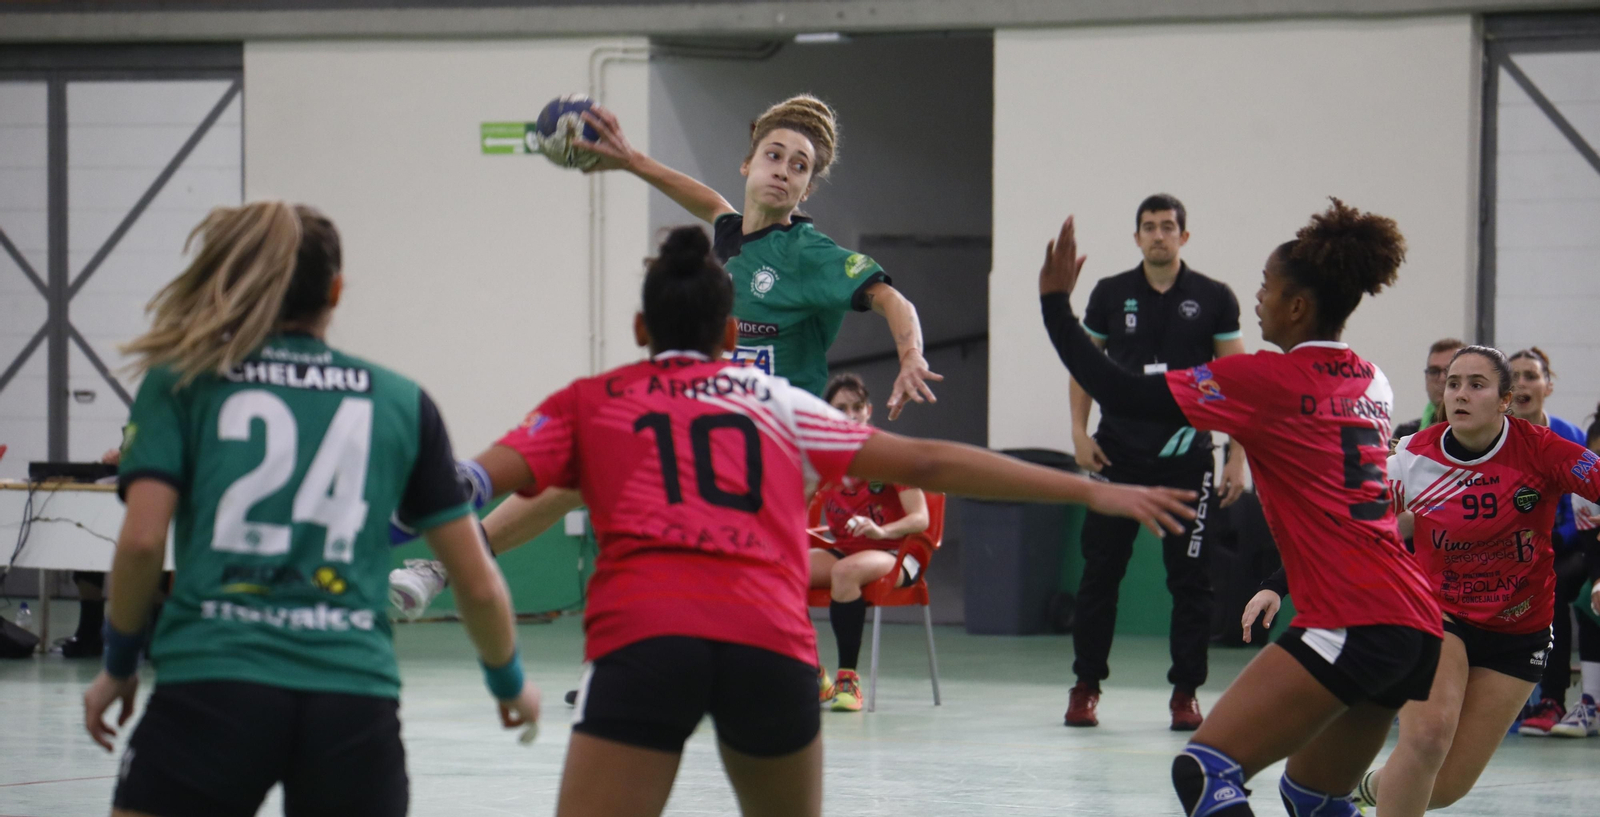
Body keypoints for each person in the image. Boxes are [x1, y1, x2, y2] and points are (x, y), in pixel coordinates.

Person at [467, 225, 1195, 817]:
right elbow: (934, 463)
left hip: (645, 642)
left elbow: (471, 482)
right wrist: (1090, 492)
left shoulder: (593, 399)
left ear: (638, 326)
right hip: (768, 647)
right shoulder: (778, 401)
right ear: (730, 331)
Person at [387, 94, 943, 618]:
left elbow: (892, 299)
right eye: (774, 155)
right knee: (576, 482)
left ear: (806, 190)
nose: (784, 169)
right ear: (748, 164)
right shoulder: (734, 238)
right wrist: (630, 161)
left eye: (800, 166)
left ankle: (678, 661)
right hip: (714, 430)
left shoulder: (809, 254)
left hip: (776, 453)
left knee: (712, 580)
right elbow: (709, 203)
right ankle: (443, 566)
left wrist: (911, 354)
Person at [81, 202, 539, 817]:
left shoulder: (181, 382)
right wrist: (507, 682)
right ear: (336, 290)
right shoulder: (400, 400)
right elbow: (477, 583)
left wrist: (117, 661)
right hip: (352, 699)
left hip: (214, 684)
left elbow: (141, 545)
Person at [1039, 199, 1443, 817]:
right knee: (1311, 795)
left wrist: (1054, 307)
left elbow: (1122, 392)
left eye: (1267, 287)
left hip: (1354, 615)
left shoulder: (1264, 381)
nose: (1257, 300)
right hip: (1414, 621)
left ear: (1298, 306)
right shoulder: (1372, 380)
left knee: (1204, 772)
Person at [1240, 346, 1600, 815]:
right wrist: (1276, 583)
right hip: (1438, 615)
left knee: (1447, 787)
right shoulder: (1412, 458)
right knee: (1428, 738)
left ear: (1505, 400)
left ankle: (1352, 790)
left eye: (1477, 384)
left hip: (1520, 630)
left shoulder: (1544, 451)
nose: (1461, 394)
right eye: (1454, 383)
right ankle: (1324, 793)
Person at [1065, 193, 1249, 732]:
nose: (1158, 235)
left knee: (1192, 582)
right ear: (1137, 236)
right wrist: (1078, 432)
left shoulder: (1214, 298)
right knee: (1100, 575)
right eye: (1149, 227)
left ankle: (1186, 693)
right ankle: (1085, 688)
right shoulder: (1109, 293)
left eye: (1168, 227)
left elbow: (1237, 383)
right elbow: (1083, 367)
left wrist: (1237, 455)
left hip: (1185, 462)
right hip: (1115, 457)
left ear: (1184, 237)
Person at [807, 373, 931, 712]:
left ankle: (849, 681)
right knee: (785, 569)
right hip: (845, 549)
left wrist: (881, 533)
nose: (850, 415)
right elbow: (794, 507)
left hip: (896, 552)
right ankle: (813, 674)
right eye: (841, 408)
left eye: (857, 407)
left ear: (868, 411)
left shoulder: (888, 455)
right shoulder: (822, 460)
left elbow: (921, 519)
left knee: (845, 573)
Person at [1503, 347, 1591, 736]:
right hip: (1504, 549)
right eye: (1515, 376)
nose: (1523, 382)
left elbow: (1582, 511)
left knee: (1550, 585)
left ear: (1547, 386)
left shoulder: (1568, 437)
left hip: (1570, 548)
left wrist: (1550, 536)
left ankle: (1552, 698)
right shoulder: (1495, 438)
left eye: (1531, 375)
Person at [1390, 338, 1465, 441]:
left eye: (1449, 370)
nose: (1442, 378)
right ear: (1426, 378)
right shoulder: (1405, 435)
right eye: (1434, 371)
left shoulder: (1482, 433)